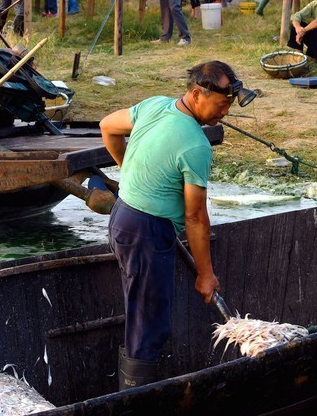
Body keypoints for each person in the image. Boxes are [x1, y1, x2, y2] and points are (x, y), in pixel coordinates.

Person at [100, 60, 250, 389]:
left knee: (142, 309)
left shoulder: (155, 105)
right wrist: (205, 273)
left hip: (122, 217)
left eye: (228, 106)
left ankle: (137, 385)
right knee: (148, 319)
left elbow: (108, 126)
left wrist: (131, 172)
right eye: (221, 104)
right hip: (145, 231)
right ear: (197, 94)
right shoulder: (196, 144)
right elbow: (195, 216)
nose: (225, 112)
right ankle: (135, 399)